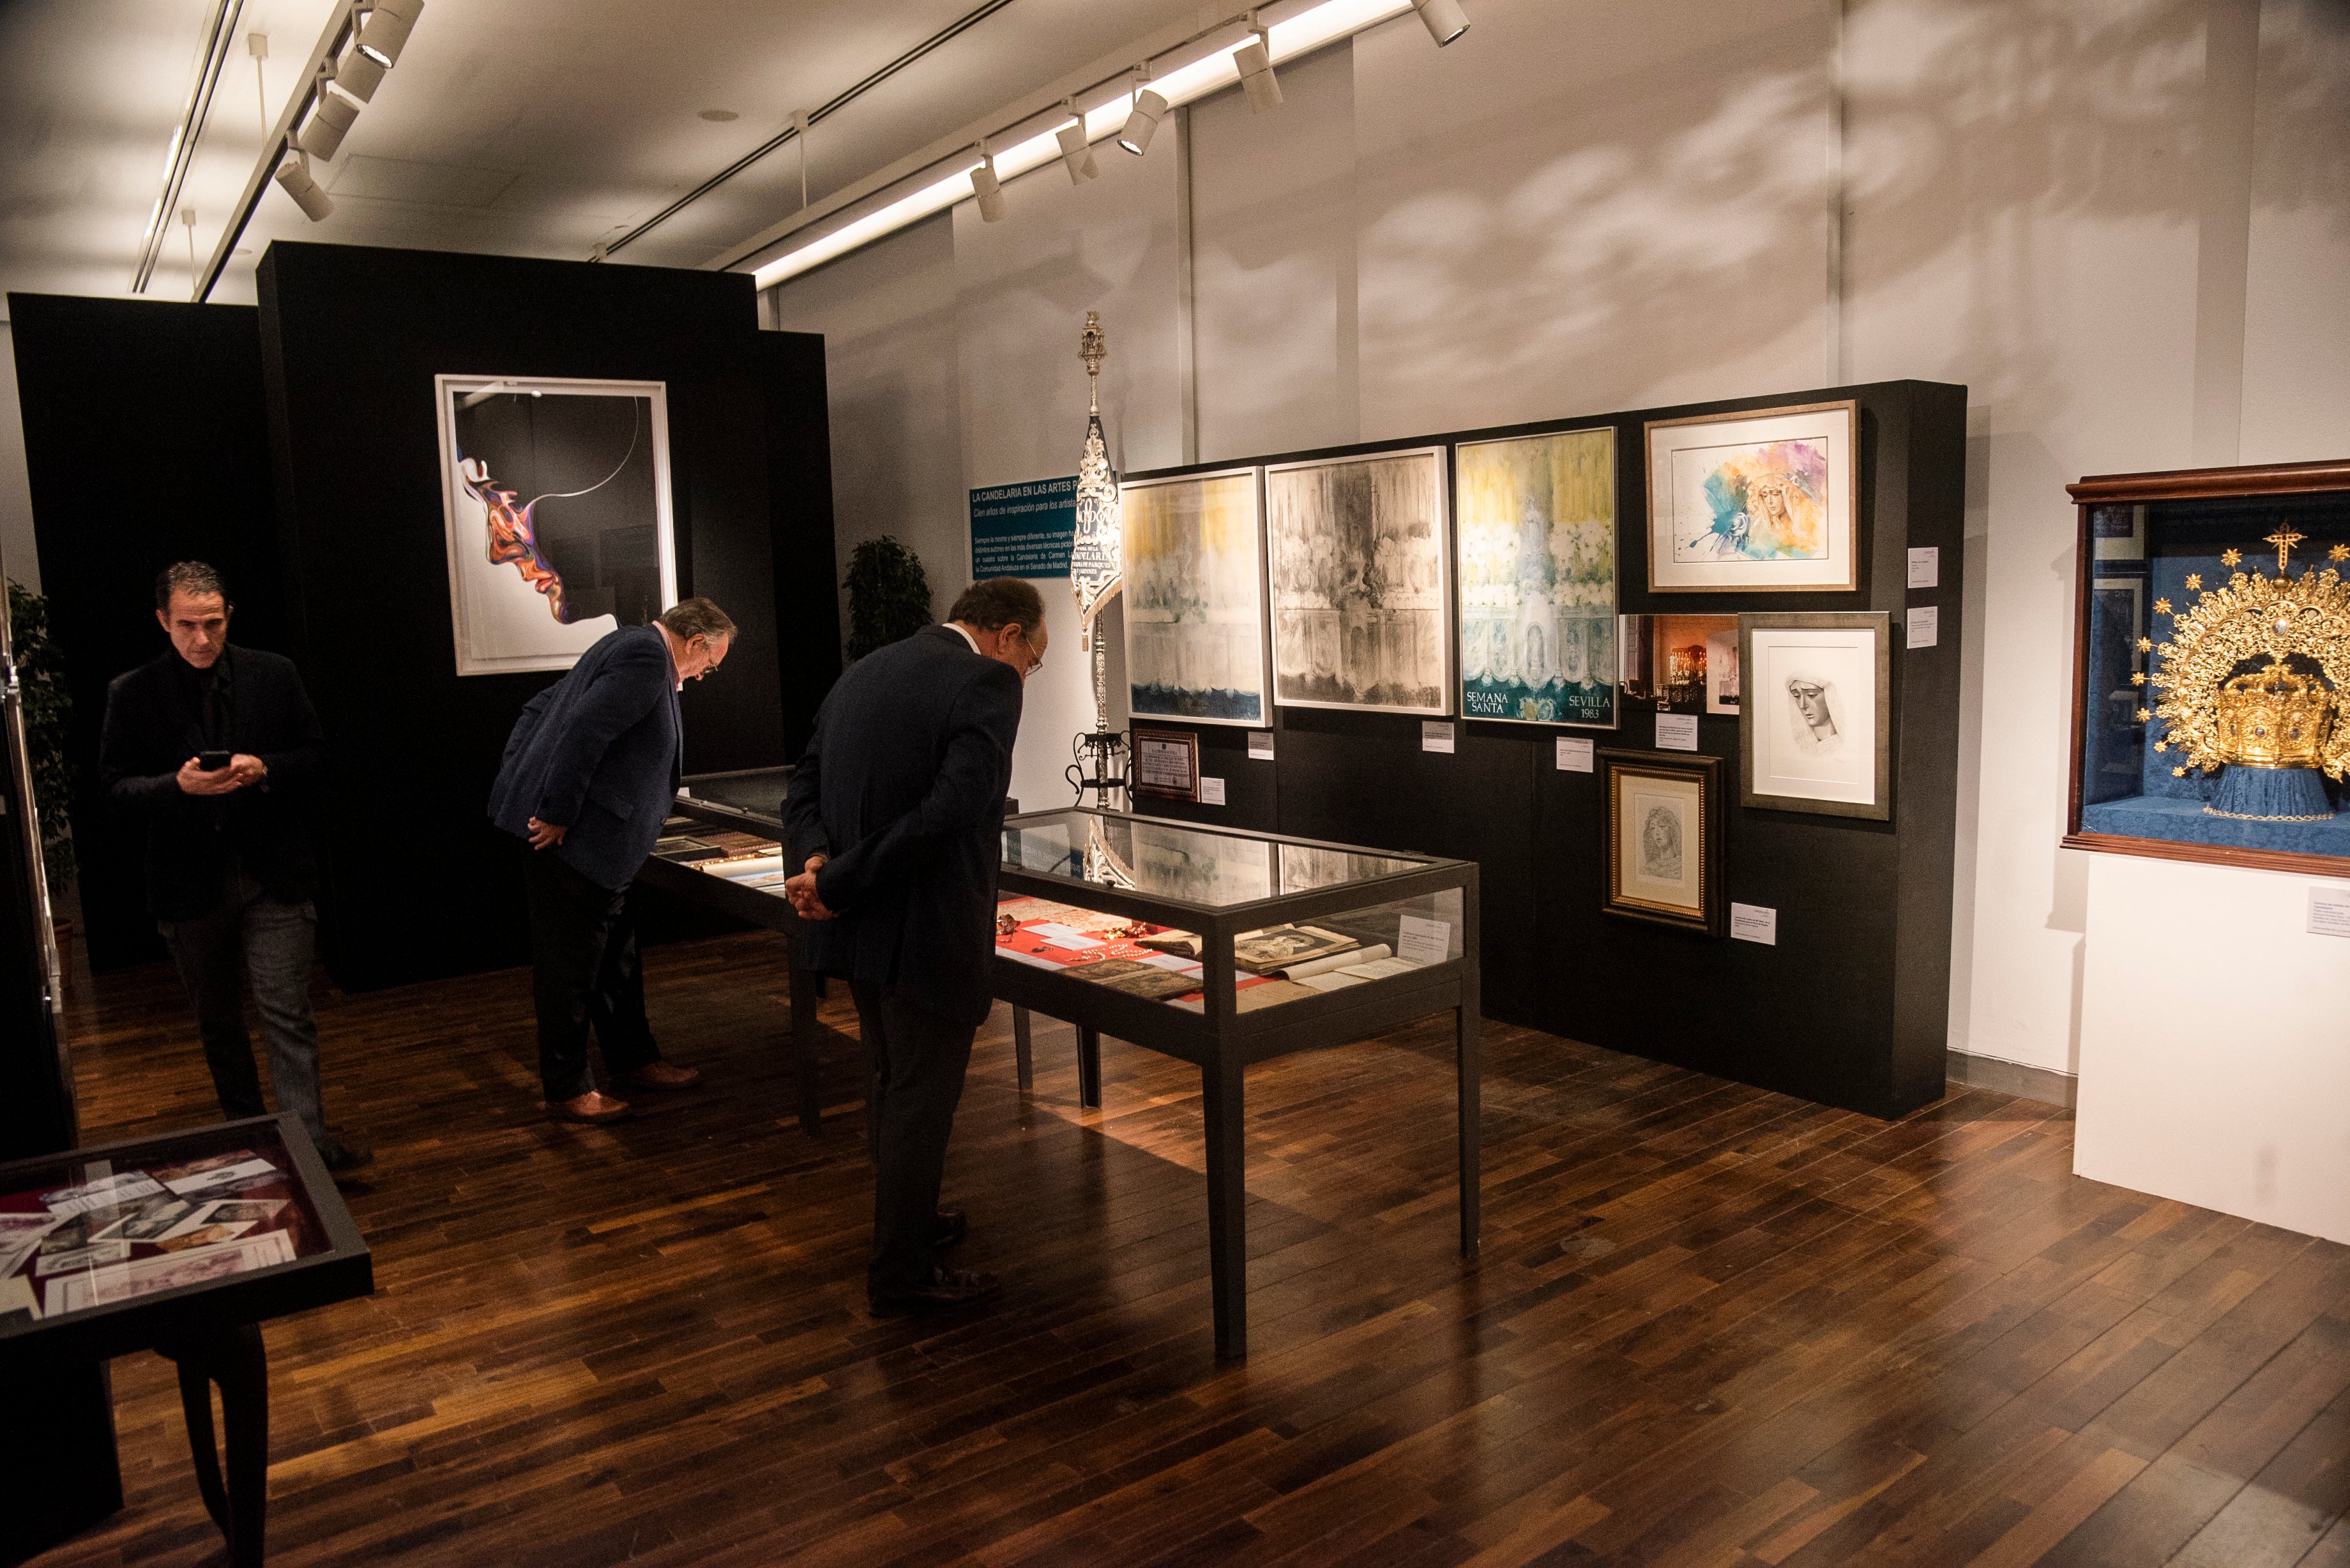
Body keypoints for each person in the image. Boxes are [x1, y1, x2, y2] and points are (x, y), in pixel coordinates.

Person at [782, 577, 1044, 1317]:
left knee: (893, 1082)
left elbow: (801, 782)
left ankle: (914, 1221)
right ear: (1006, 635)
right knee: (919, 1101)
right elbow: (952, 812)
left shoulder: (866, 669)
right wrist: (838, 878)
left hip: (860, 927)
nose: (1028, 673)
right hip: (926, 927)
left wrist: (815, 863)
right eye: (1035, 658)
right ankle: (900, 1273)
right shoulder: (987, 679)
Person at [99, 562, 364, 1171]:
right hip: (188, 882)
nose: (201, 639)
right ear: (164, 621)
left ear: (229, 616)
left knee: (288, 1014)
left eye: (213, 623)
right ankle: (252, 1142)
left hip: (273, 872)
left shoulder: (273, 674)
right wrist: (177, 785)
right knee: (218, 1022)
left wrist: (265, 768)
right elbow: (112, 792)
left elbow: (319, 756)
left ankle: (311, 1151)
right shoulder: (132, 692)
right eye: (188, 625)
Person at [489, 598, 735, 1124]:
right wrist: (553, 810)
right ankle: (567, 1089)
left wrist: (522, 775)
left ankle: (634, 1059)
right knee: (570, 970)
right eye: (709, 666)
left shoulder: (627, 645)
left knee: (615, 961)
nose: (701, 677)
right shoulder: (647, 659)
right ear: (694, 643)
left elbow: (541, 707)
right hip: (577, 846)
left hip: (603, 853)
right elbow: (582, 732)